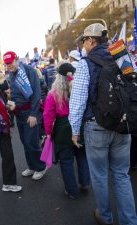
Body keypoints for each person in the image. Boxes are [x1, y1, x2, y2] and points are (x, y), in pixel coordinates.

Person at [69, 23, 137, 225]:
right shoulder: (124, 58)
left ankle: (105, 217)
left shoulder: (85, 63)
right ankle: (129, 221)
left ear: (91, 40)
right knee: (121, 175)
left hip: (96, 126)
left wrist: (74, 130)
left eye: (84, 41)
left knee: (99, 176)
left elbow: (78, 100)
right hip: (123, 125)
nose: (84, 45)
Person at [43, 62, 90, 199]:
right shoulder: (80, 90)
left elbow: (48, 116)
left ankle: (71, 190)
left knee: (66, 161)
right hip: (79, 125)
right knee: (82, 156)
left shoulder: (53, 94)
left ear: (58, 77)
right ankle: (85, 182)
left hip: (62, 129)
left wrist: (48, 133)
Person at [3, 51, 46, 180]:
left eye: (10, 63)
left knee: (31, 142)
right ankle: (32, 166)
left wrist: (33, 114)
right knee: (24, 142)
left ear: (16, 59)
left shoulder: (29, 71)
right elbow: (15, 94)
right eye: (6, 64)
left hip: (30, 113)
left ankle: (41, 167)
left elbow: (37, 95)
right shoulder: (11, 74)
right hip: (19, 113)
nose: (8, 66)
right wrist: (11, 104)